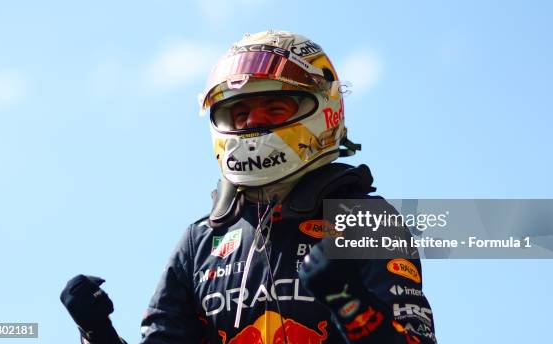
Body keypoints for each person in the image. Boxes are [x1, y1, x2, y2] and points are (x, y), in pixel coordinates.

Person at [61, 30, 437, 344]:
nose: (254, 122)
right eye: (240, 113)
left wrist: (347, 302)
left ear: (325, 111)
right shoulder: (200, 241)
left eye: (274, 109)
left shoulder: (366, 220)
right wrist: (96, 332)